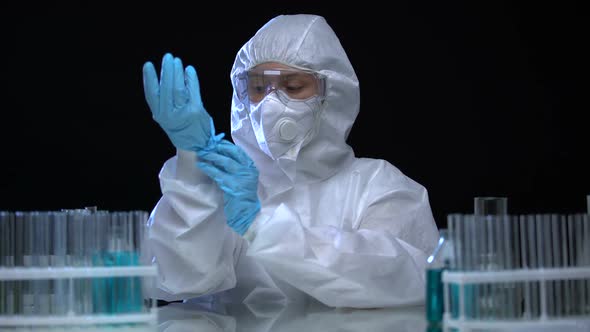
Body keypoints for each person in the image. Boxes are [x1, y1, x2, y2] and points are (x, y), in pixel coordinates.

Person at [142, 13, 439, 308]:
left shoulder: (378, 186)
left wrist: (259, 225)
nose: (271, 103)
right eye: (259, 88)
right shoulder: (230, 184)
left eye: (293, 87)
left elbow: (397, 279)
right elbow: (179, 279)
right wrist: (193, 165)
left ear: (331, 94)